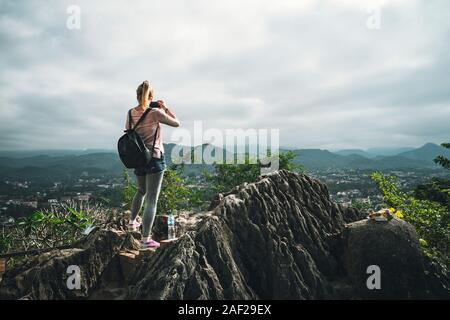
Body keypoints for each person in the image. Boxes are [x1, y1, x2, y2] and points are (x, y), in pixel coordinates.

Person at [125, 81, 180, 249]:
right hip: (155, 158)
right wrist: (165, 108)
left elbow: (128, 131)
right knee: (152, 200)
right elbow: (176, 123)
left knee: (141, 191)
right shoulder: (155, 112)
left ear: (137, 96)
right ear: (151, 97)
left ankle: (131, 223)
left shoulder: (129, 113)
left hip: (138, 158)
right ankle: (145, 240)